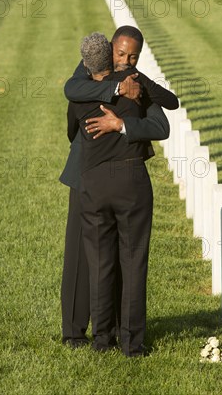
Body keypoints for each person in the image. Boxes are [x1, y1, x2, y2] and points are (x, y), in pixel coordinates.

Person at [60, 27, 178, 357]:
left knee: (108, 258)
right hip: (88, 172)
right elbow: (72, 90)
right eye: (120, 54)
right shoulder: (87, 70)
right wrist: (116, 89)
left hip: (107, 172)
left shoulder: (134, 80)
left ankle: (110, 332)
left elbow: (161, 120)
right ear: (110, 48)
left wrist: (124, 123)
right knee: (84, 258)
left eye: (132, 57)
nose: (125, 60)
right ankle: (73, 330)